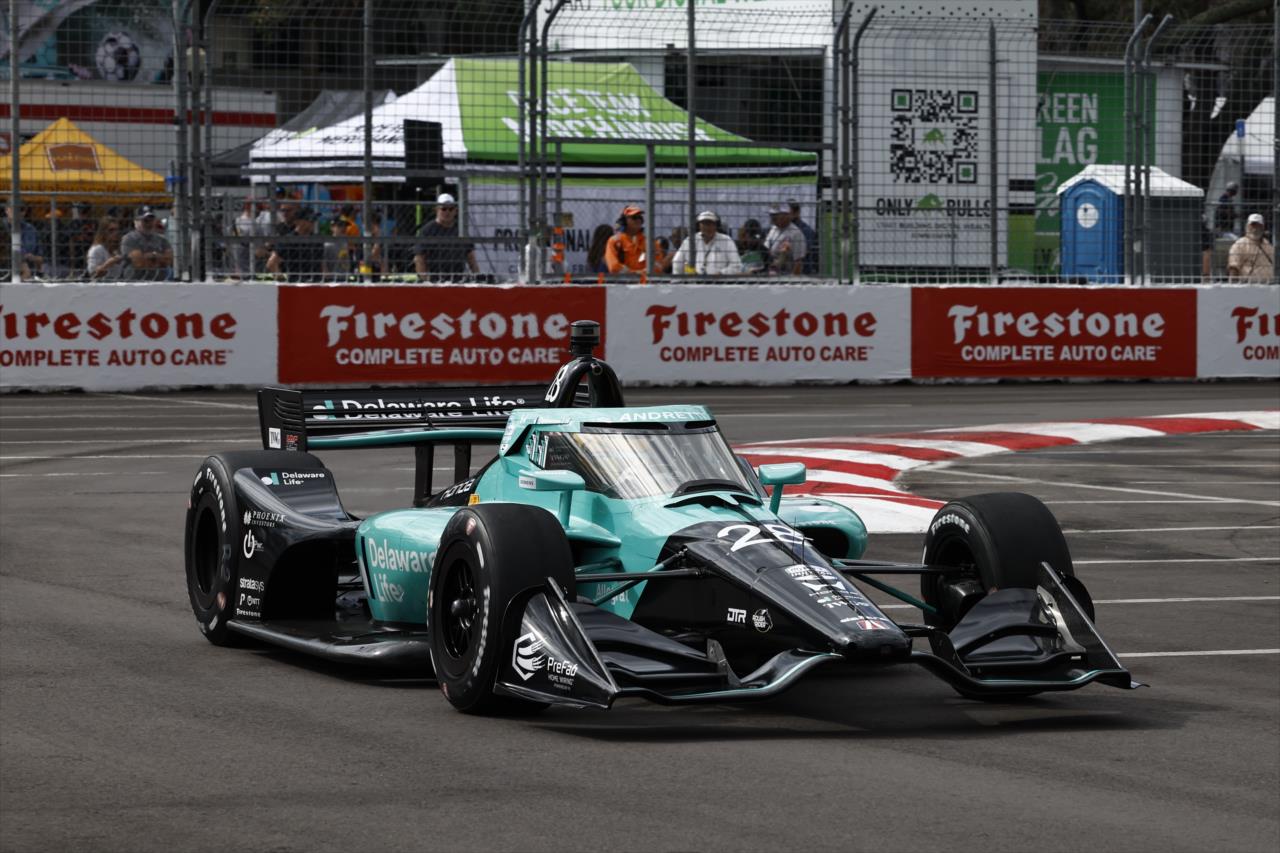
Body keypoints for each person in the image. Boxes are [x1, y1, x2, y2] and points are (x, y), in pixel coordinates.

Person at [413, 193, 479, 281]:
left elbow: (470, 256)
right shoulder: (427, 231)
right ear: (437, 210)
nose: (447, 212)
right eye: (443, 209)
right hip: (434, 279)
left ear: (455, 211)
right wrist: (426, 280)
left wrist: (477, 276)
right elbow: (419, 258)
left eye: (451, 209)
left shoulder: (461, 230)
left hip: (457, 279)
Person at [671, 210, 743, 277]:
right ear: (699, 226)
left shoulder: (726, 241)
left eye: (711, 224)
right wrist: (680, 280)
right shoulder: (690, 241)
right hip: (694, 282)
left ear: (716, 225)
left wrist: (721, 273)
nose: (708, 227)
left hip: (720, 282)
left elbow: (736, 266)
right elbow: (677, 262)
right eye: (704, 224)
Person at [267, 206, 326, 282]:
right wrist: (282, 281)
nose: (313, 222)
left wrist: (325, 279)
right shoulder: (289, 240)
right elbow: (271, 263)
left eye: (314, 219)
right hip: (296, 283)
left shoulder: (316, 239)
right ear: (298, 221)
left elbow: (321, 263)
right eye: (310, 219)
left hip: (317, 283)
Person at [604, 204, 666, 275]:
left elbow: (658, 265)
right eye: (634, 217)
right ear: (624, 221)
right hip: (622, 280)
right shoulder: (615, 241)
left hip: (646, 281)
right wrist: (634, 274)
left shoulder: (650, 243)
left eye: (640, 217)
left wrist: (641, 274)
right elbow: (613, 266)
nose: (638, 220)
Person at [120, 206, 174, 281]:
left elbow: (169, 261)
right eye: (145, 221)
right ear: (136, 222)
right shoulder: (129, 239)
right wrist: (158, 258)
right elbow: (139, 263)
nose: (149, 224)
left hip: (159, 281)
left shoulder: (162, 240)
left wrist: (150, 256)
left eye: (151, 220)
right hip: (135, 282)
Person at [1227, 213, 1274, 283]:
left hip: (1270, 284)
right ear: (1247, 227)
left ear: (1263, 228)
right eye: (1253, 225)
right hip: (1248, 285)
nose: (1255, 229)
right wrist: (1234, 285)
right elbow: (1233, 268)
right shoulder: (1239, 244)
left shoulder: (1267, 244)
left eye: (1258, 226)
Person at [763, 203, 806, 275]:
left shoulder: (796, 233)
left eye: (775, 216)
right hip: (770, 272)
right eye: (771, 216)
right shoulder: (774, 228)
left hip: (786, 276)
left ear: (785, 216)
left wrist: (794, 280)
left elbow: (798, 262)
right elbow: (766, 248)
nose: (772, 219)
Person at [3, 204, 44, 278]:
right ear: (6, 210)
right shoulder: (2, 227)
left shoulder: (31, 229)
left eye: (21, 210)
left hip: (29, 269)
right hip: (6, 266)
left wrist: (32, 257)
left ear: (24, 212)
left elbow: (40, 258)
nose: (17, 212)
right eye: (13, 209)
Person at [85, 217, 126, 281]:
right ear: (103, 232)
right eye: (111, 230)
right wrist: (109, 263)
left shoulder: (118, 249)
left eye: (117, 230)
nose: (116, 233)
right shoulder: (97, 249)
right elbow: (93, 274)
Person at [788, 199, 819, 275]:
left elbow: (803, 251)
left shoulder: (806, 230)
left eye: (788, 213)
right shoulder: (783, 228)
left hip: (803, 272)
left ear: (797, 213)